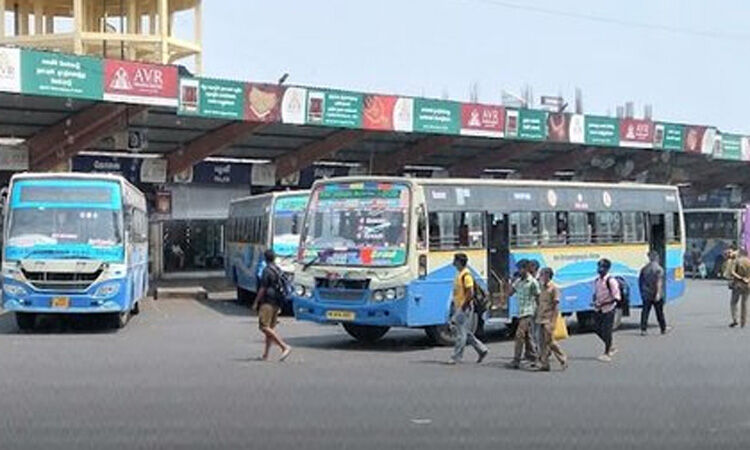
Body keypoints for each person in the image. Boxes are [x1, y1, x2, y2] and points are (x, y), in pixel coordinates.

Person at [448, 253, 488, 364]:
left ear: (459, 262)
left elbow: (470, 293)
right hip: (459, 306)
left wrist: (463, 307)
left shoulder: (466, 275)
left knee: (460, 332)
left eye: (455, 260)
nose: (453, 262)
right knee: (464, 331)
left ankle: (457, 356)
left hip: (464, 307)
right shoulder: (459, 274)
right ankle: (482, 349)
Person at [252, 249, 292, 361]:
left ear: (265, 258)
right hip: (277, 301)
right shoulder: (278, 269)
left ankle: (284, 346)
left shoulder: (266, 270)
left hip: (267, 302)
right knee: (270, 329)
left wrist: (256, 302)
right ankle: (265, 355)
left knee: (264, 326)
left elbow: (263, 288)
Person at [506, 260, 540, 369]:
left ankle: (516, 360)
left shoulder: (532, 282)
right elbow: (510, 293)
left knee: (519, 335)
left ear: (526, 268)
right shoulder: (518, 282)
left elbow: (538, 297)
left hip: (529, 312)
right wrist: (509, 283)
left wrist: (540, 312)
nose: (519, 271)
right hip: (520, 312)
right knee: (528, 336)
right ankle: (535, 357)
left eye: (521, 268)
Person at [535, 268, 567, 371]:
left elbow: (556, 307)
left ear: (548, 276)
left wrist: (553, 322)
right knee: (541, 342)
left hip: (548, 319)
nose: (540, 276)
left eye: (542, 275)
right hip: (540, 318)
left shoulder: (553, 289)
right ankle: (545, 364)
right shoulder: (540, 288)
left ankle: (562, 358)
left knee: (550, 341)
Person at [592, 258, 620, 362]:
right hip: (598, 309)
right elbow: (596, 293)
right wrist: (595, 301)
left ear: (607, 269)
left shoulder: (611, 281)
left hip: (609, 309)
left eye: (603, 267)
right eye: (599, 267)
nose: (600, 269)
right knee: (597, 329)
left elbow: (616, 297)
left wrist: (604, 304)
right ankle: (611, 345)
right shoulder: (597, 281)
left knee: (607, 331)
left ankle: (607, 352)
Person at [639, 251, 668, 336]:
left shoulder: (644, 268)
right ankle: (663, 328)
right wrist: (658, 293)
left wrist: (642, 292)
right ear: (656, 258)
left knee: (645, 312)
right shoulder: (659, 269)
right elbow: (659, 282)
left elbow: (640, 282)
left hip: (646, 294)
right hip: (655, 294)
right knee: (659, 313)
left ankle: (643, 329)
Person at [729, 248, 750, 328]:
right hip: (747, 285)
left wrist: (740, 278)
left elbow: (732, 272)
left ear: (740, 254)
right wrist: (747, 279)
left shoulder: (737, 261)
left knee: (733, 302)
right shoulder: (749, 261)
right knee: (745, 303)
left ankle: (735, 319)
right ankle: (743, 322)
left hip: (738, 285)